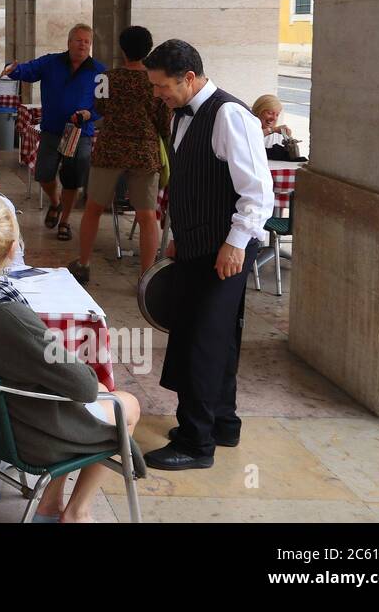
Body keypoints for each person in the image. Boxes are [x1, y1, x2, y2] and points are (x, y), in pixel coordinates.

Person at [0, 195, 143, 522]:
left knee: (77, 391)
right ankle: (77, 512)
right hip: (26, 435)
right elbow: (83, 387)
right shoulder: (13, 317)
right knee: (125, 404)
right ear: (12, 249)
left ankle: (50, 506)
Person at [142, 39, 274, 470]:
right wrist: (181, 234)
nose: (158, 93)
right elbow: (194, 182)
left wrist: (235, 244)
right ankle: (221, 421)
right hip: (200, 243)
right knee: (219, 336)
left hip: (226, 247)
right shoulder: (184, 115)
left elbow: (257, 192)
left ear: (190, 78)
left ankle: (197, 444)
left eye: (162, 86)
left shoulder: (229, 115)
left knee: (201, 341)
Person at [68, 26, 171, 283]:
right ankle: (146, 276)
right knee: (148, 216)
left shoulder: (105, 78)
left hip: (109, 149)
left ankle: (83, 263)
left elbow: (100, 108)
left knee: (93, 208)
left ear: (122, 49)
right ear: (149, 50)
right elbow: (164, 120)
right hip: (144, 152)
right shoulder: (155, 80)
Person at [2, 24, 104, 241]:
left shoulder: (98, 71)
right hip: (52, 130)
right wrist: (14, 69)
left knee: (72, 179)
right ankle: (55, 203)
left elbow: (103, 104)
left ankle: (65, 220)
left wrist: (89, 114)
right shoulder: (51, 62)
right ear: (69, 42)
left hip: (80, 133)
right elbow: (29, 71)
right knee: (44, 173)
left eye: (87, 41)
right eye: (78, 40)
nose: (83, 44)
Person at [250, 94, 301, 160]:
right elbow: (250, 138)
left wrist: (290, 140)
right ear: (258, 111)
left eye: (277, 115)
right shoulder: (246, 129)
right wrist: (271, 130)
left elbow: (295, 158)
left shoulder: (278, 135)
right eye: (270, 113)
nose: (274, 118)